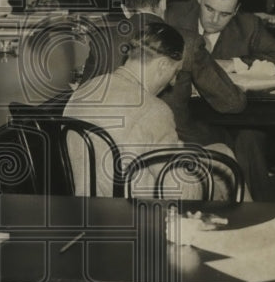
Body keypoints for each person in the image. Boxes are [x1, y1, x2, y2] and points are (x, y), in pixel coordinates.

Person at [65, 22, 238, 199]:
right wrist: (214, 187)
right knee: (227, 170)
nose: (173, 82)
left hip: (87, 202)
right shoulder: (153, 109)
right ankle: (247, 221)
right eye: (175, 72)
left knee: (221, 151)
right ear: (163, 65)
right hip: (138, 210)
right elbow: (178, 191)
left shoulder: (85, 90)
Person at [166, 0, 275, 200]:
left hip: (233, 116)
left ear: (236, 11)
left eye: (224, 14)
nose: (213, 19)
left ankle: (258, 210)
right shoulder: (174, 16)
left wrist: (236, 63)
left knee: (248, 138)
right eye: (209, 9)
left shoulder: (248, 25)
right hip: (187, 116)